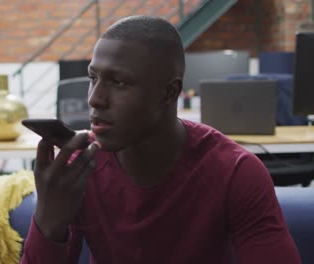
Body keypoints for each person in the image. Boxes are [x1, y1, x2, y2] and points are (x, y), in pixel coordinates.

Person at [20, 15, 301, 263]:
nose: (94, 98)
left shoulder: (235, 173)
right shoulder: (79, 170)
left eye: (119, 82)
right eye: (93, 78)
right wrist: (48, 220)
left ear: (168, 93)